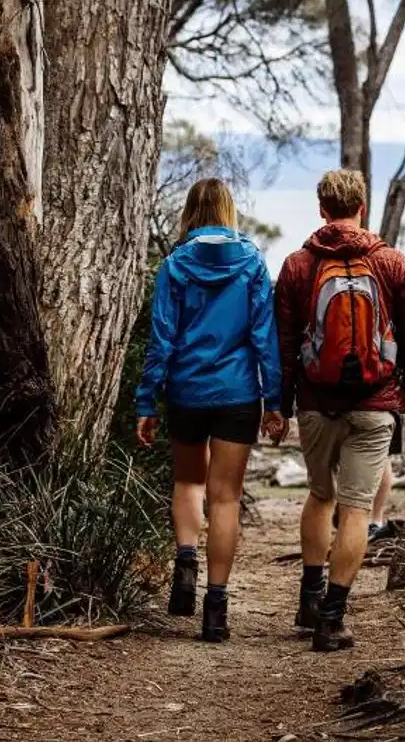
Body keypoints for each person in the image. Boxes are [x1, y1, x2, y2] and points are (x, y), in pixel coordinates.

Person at [275, 169, 405, 652]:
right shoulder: (390, 263)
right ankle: (332, 619)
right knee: (357, 509)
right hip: (374, 404)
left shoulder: (299, 265)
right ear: (362, 208)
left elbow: (281, 343)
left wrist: (280, 406)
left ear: (322, 209)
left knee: (321, 496)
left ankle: (308, 598)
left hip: (317, 404)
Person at [135, 178, 286, 643]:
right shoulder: (252, 265)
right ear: (228, 211)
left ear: (190, 212)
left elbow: (162, 338)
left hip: (187, 391)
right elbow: (265, 337)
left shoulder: (176, 266)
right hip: (239, 394)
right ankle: (215, 609)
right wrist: (275, 400)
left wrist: (147, 399)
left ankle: (185, 563)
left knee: (188, 481)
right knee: (225, 498)